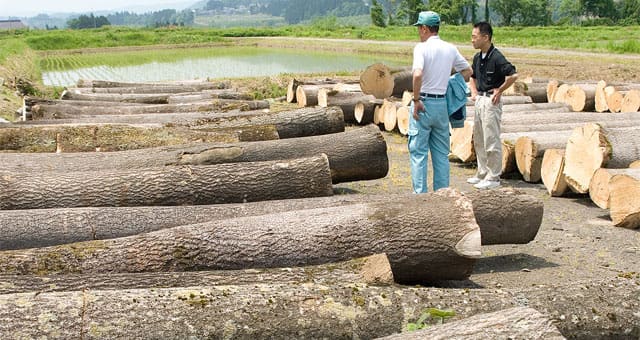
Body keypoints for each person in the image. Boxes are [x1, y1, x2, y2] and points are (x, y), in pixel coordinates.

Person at [409, 11, 472, 194]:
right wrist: (450, 81)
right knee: (441, 155)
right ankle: (443, 196)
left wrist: (416, 99)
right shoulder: (450, 48)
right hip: (442, 104)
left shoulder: (421, 48)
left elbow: (418, 74)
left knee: (419, 153)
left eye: (419, 28)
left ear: (425, 28)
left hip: (424, 103)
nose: (419, 32)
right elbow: (467, 71)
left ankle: (420, 196)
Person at [467, 21, 518, 190]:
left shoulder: (496, 57)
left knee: (491, 139)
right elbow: (472, 76)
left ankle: (494, 176)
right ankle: (482, 172)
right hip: (480, 100)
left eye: (475, 37)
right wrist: (473, 92)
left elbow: (513, 75)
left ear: (485, 37)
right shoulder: (477, 57)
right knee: (479, 139)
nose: (472, 40)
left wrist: (500, 90)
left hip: (491, 101)